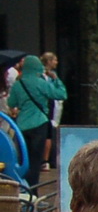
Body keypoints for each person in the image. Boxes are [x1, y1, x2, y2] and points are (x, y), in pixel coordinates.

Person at [8, 54, 66, 185]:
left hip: (21, 126)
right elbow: (61, 94)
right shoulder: (42, 83)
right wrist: (56, 80)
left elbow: (11, 103)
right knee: (35, 161)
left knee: (24, 160)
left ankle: (23, 188)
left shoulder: (18, 84)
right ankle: (33, 192)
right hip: (39, 123)